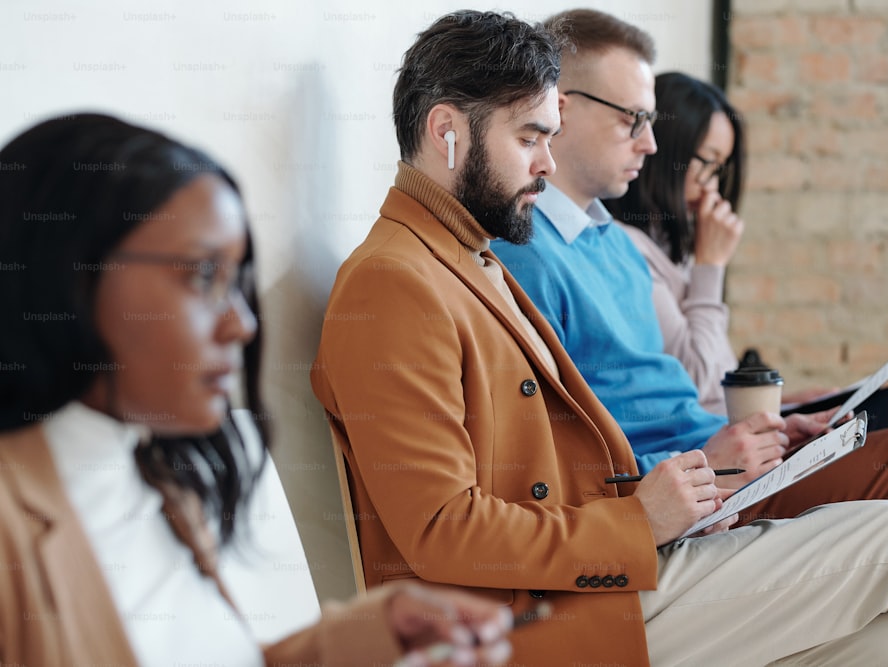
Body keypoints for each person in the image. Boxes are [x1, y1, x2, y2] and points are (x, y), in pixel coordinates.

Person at [310, 9, 888, 666]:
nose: (547, 163)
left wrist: (682, 505)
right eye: (529, 137)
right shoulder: (394, 282)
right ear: (446, 131)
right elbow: (441, 529)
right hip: (529, 622)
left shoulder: (469, 259)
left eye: (550, 137)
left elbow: (546, 476)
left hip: (592, 575)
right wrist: (640, 520)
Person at [489, 8, 888, 600]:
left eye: (651, 121)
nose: (650, 142)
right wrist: (707, 457)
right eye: (634, 119)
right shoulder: (522, 256)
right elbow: (552, 456)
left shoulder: (612, 245)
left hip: (726, 464)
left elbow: (673, 396)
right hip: (699, 492)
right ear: (564, 109)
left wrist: (767, 430)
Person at [0, 113, 514, 667]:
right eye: (202, 276)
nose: (242, 323)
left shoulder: (167, 474)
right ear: (70, 273)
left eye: (237, 282)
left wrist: (375, 636)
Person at [602, 71, 888, 428]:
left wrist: (790, 404)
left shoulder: (673, 253)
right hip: (722, 451)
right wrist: (711, 266)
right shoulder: (627, 249)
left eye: (720, 168)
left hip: (745, 431)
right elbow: (696, 383)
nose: (712, 185)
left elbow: (717, 391)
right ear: (665, 151)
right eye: (707, 162)